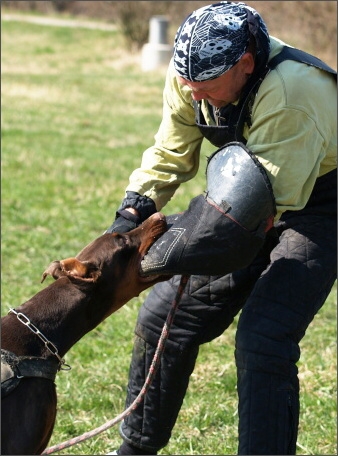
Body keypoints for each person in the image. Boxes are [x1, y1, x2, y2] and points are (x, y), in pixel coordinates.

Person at [106, 2, 337, 454]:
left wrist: (158, 254)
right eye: (189, 87)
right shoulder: (192, 76)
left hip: (317, 208)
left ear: (247, 63)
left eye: (207, 88)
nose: (196, 98)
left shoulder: (294, 90)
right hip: (241, 203)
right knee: (163, 319)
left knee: (263, 338)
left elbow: (259, 209)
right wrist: (130, 218)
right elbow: (171, 153)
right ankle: (134, 450)